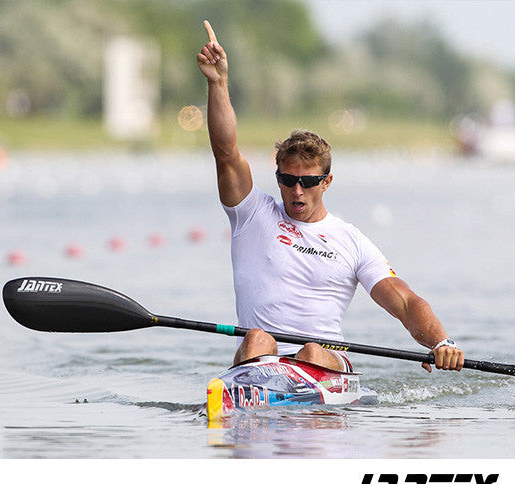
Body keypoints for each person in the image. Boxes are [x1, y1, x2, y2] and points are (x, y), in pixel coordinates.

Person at [197, 20, 464, 374]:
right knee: (258, 338)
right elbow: (226, 153)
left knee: (310, 350)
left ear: (327, 182)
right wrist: (218, 84)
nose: (296, 190)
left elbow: (404, 301)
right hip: (261, 361)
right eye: (288, 180)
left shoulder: (351, 242)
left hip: (324, 365)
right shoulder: (251, 214)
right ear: (277, 178)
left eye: (308, 182)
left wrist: (439, 342)